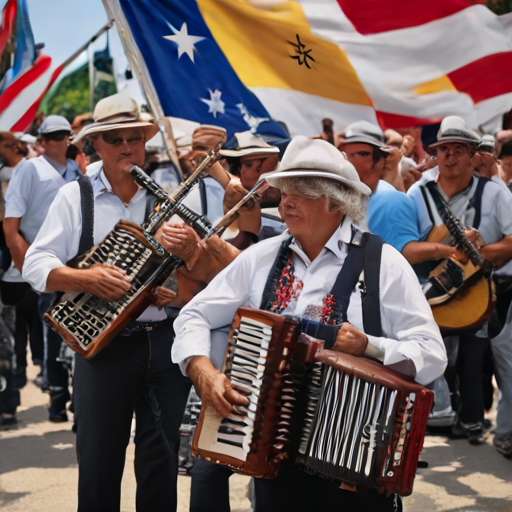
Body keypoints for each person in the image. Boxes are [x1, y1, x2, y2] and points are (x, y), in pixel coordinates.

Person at [172, 136, 447, 512]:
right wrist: (201, 370)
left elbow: (432, 354)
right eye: (284, 190)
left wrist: (369, 346)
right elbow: (194, 314)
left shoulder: (384, 262)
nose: (285, 201)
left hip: (356, 463)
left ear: (334, 199)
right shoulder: (262, 257)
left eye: (300, 192)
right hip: (273, 457)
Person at [23, 91, 191, 511]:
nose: (127, 147)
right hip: (102, 348)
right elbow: (36, 265)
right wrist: (87, 278)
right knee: (99, 461)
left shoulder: (167, 197)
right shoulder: (73, 196)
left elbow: (198, 273)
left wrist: (185, 275)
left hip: (163, 342)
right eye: (115, 139)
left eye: (134, 137)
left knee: (161, 460)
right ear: (94, 145)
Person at [407, 116, 512, 443]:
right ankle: (428, 419)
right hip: (429, 292)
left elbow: (511, 241)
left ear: (472, 155)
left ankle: (471, 420)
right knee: (429, 356)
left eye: (459, 149)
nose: (450, 156)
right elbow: (403, 244)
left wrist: (474, 257)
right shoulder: (416, 193)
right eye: (444, 149)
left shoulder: (495, 193)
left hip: (478, 292)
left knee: (474, 357)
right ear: (436, 154)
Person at [3, 117, 81, 418]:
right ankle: (57, 398)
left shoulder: (77, 171)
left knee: (74, 332)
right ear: (41, 140)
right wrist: (29, 269)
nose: (57, 141)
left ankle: (77, 398)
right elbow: (11, 227)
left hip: (75, 264)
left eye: (63, 135)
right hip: (42, 263)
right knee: (51, 332)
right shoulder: (29, 169)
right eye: (51, 136)